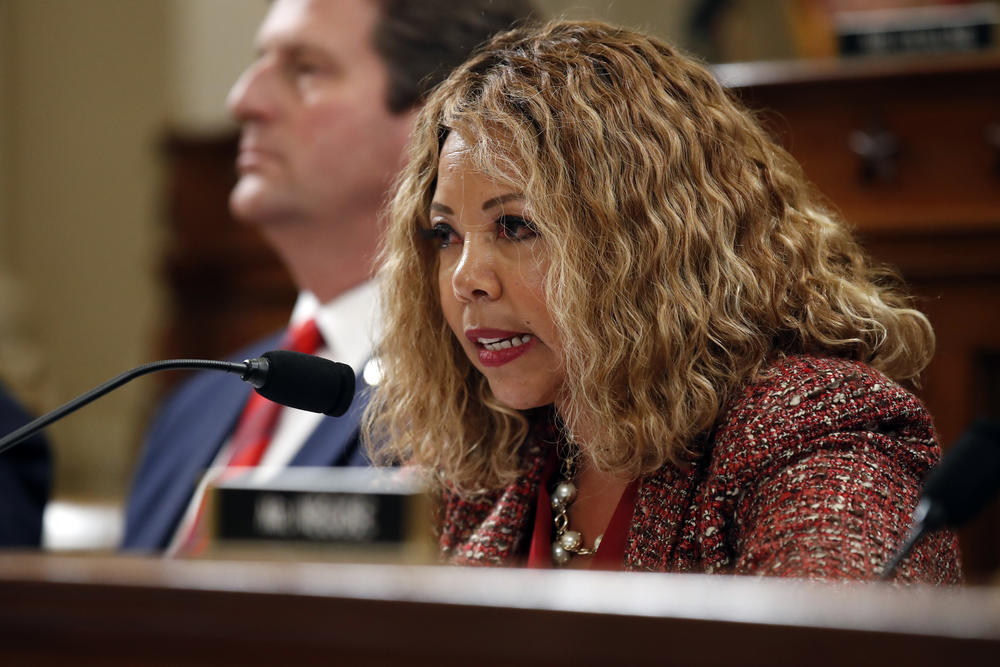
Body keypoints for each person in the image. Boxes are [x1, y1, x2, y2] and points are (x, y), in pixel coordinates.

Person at [365, 19, 963, 580]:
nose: (467, 278)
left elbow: (827, 641)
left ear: (645, 242)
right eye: (445, 235)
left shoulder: (814, 427)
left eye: (517, 227)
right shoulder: (488, 461)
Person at [122, 0, 536, 553]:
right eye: (261, 61)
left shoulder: (489, 393)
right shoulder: (192, 406)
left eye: (305, 69)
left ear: (434, 115)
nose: (243, 100)